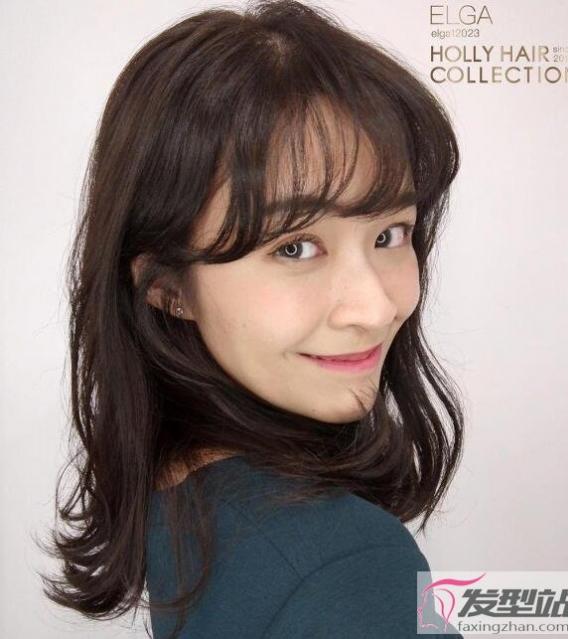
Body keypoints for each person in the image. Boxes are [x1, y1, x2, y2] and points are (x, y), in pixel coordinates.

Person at [38, 1, 465, 637]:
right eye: (295, 247)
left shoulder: (192, 494)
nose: (376, 307)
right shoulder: (341, 563)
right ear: (167, 287)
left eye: (389, 234)